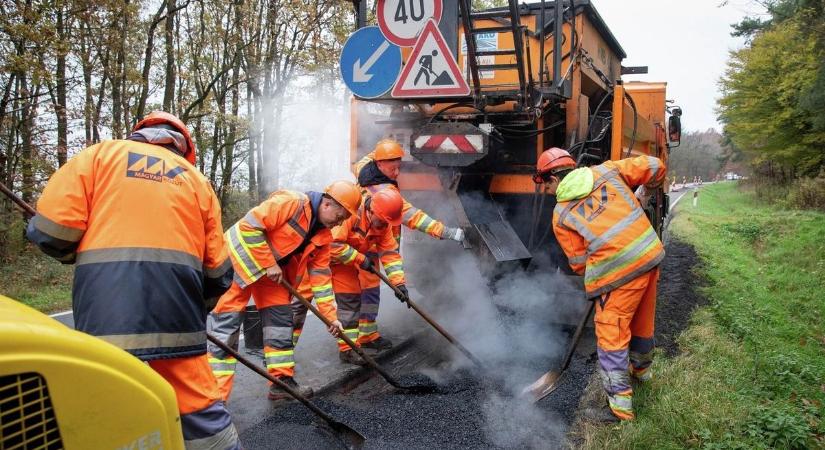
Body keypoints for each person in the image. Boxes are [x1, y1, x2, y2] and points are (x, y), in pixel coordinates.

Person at [27, 111, 241, 449]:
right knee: (200, 414)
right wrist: (197, 306)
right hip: (178, 324)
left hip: (104, 323)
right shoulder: (196, 180)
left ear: (139, 133)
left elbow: (52, 233)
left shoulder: (99, 156)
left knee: (108, 407)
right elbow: (217, 271)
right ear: (184, 147)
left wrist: (76, 253)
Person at [533, 147, 667, 423]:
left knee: (611, 337)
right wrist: (646, 192)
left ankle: (619, 409)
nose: (547, 189)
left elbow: (579, 262)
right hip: (649, 256)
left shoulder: (561, 214)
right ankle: (641, 371)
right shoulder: (607, 171)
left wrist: (598, 281)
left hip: (617, 275)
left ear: (553, 179)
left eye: (546, 183)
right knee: (642, 321)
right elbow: (656, 166)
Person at [207, 181, 361, 402]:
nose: (340, 223)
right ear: (328, 204)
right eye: (341, 216)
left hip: (271, 276)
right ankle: (214, 400)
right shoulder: (291, 203)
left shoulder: (324, 237)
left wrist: (331, 319)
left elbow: (321, 281)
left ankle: (281, 383)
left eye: (344, 220)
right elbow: (249, 227)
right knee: (226, 332)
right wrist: (269, 263)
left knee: (280, 324)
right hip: (236, 266)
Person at [352, 138, 464, 351]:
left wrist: (399, 283)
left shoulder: (365, 168)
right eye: (393, 168)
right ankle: (349, 344)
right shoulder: (385, 195)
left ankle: (367, 335)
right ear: (380, 165)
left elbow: (390, 254)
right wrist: (447, 232)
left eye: (398, 167)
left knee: (370, 291)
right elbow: (416, 217)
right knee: (352, 295)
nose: (397, 173)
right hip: (359, 247)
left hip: (373, 244)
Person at [330, 188, 407, 365]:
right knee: (298, 308)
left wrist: (399, 284)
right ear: (371, 211)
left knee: (351, 303)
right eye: (382, 221)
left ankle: (348, 350)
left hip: (345, 263)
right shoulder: (350, 214)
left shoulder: (383, 223)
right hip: (320, 260)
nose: (384, 225)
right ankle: (280, 356)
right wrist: (360, 258)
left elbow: (389, 254)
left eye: (387, 222)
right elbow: (332, 244)